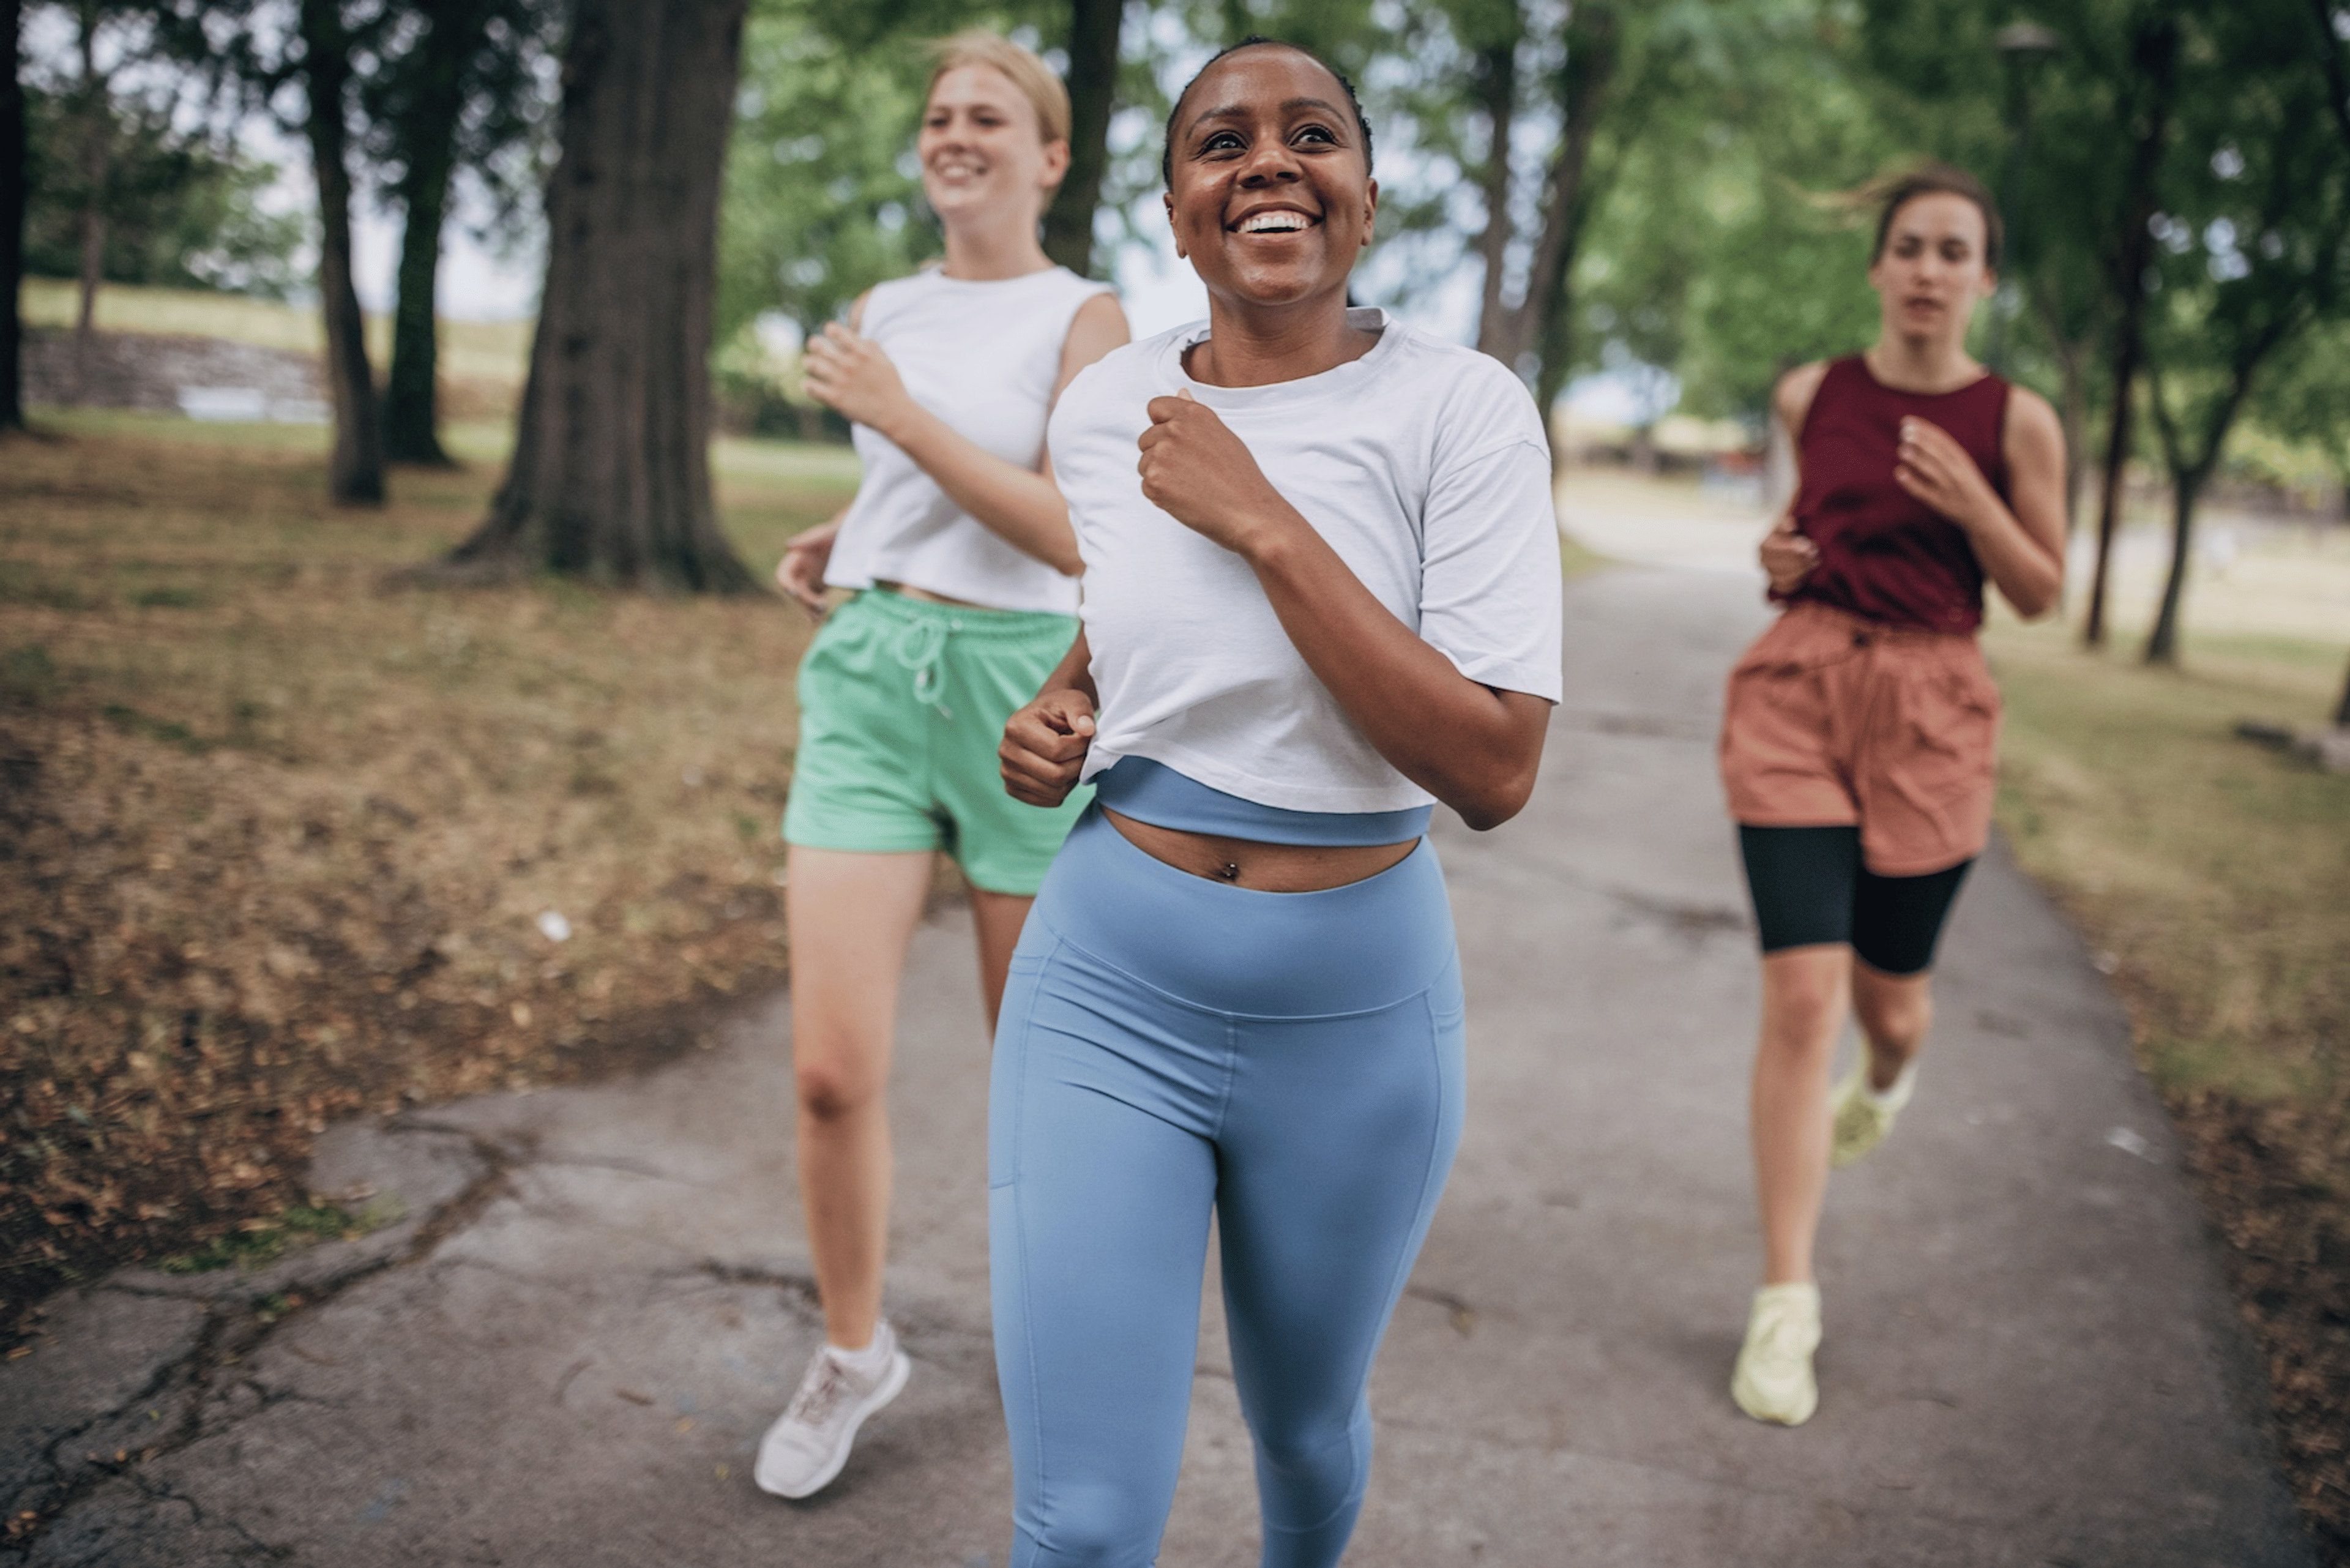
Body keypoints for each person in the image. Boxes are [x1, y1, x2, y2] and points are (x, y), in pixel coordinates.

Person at [991, 38, 1562, 1566]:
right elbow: (1130, 625)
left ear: (1365, 201)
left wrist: (1265, 519)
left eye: (1312, 134)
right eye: (1219, 143)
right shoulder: (1111, 407)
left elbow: (1495, 768)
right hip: (1108, 982)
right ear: (1179, 213)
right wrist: (1063, 711)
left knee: (1302, 1434)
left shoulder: (1465, 411)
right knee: (1083, 1527)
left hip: (1357, 1016)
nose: (1267, 161)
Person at [753, 29, 1129, 1501]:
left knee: (1039, 1084)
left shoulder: (1083, 317)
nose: (953, 132)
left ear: (1048, 157)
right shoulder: (887, 303)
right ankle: (853, 1354)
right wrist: (856, 538)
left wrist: (896, 415)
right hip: (868, 677)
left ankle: (1073, 1360)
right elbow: (913, 486)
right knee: (830, 1074)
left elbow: (1085, 535)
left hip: (1022, 697)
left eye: (989, 115)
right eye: (937, 115)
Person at [1718, 163, 2067, 1427]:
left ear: (1984, 278)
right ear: (1877, 268)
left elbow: (2040, 591)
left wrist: (1975, 503)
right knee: (1804, 996)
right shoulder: (1816, 394)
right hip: (1800, 692)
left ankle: (1889, 1078)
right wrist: (1777, 558)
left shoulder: (2017, 420)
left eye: (1953, 250)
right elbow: (1795, 534)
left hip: (1933, 716)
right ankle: (1786, 1299)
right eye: (1909, 246)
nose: (1928, 268)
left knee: (1891, 1006)